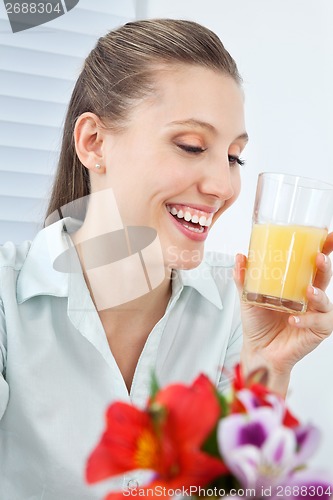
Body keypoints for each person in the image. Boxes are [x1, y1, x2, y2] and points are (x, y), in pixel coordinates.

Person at [0, 18, 332, 500]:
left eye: (234, 157)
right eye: (192, 146)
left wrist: (266, 366)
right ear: (94, 143)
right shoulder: (8, 299)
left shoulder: (235, 306)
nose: (223, 186)